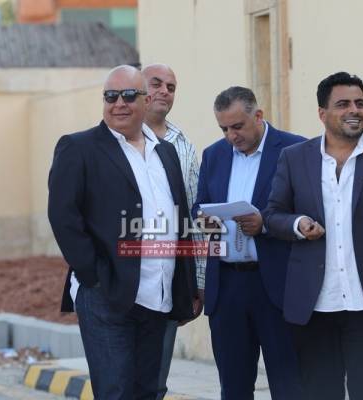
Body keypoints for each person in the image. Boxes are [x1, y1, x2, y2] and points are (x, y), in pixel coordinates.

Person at [263, 72, 363, 400]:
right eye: (343, 104)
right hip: (314, 307)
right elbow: (272, 215)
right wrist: (298, 224)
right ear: (322, 113)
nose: (354, 110)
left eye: (359, 103)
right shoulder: (295, 158)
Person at [48, 65, 200, 400]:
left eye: (129, 95)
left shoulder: (166, 152)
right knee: (115, 392)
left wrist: (187, 285)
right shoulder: (79, 147)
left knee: (149, 391)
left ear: (145, 101)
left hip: (158, 295)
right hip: (107, 295)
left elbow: (180, 219)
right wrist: (93, 275)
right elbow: (63, 216)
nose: (119, 103)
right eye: (110, 96)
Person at [193, 86, 304, 399]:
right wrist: (204, 220)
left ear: (258, 116)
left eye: (237, 126)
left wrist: (265, 225)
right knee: (233, 387)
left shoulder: (295, 149)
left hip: (277, 287)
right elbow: (199, 205)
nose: (231, 136)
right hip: (226, 287)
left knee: (290, 386)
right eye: (224, 128)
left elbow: (309, 212)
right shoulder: (213, 155)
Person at [141, 63, 205, 400]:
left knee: (155, 383)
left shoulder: (183, 145)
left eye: (171, 87)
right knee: (117, 381)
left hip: (168, 279)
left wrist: (197, 281)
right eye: (156, 83)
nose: (164, 91)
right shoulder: (113, 138)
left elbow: (195, 214)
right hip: (120, 280)